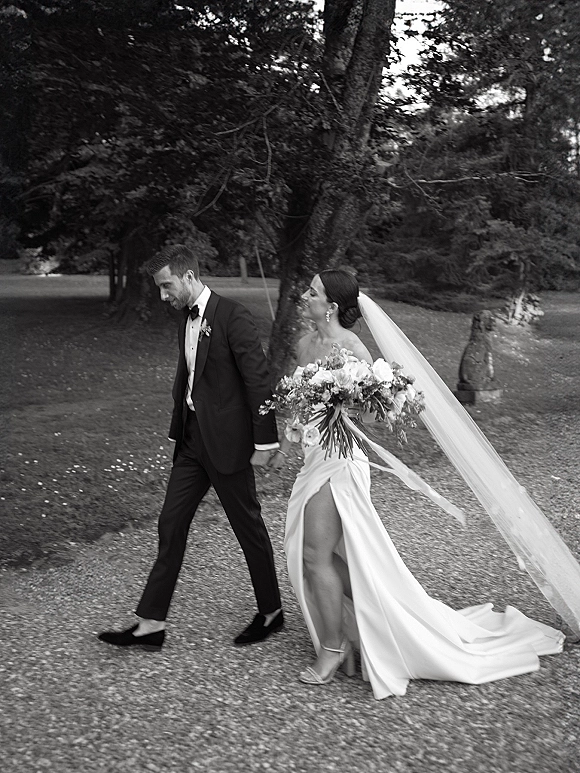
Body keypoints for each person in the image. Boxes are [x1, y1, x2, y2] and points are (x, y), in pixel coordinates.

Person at [272, 269, 566, 700]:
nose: (303, 296)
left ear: (331, 305)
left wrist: (342, 407)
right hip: (312, 457)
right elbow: (298, 405)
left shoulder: (352, 348)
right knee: (317, 555)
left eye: (312, 291)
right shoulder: (303, 344)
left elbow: (375, 415)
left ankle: (333, 649)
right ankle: (377, 618)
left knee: (315, 555)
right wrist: (291, 432)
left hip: (340, 461)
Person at [98, 244, 283, 651]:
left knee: (247, 528)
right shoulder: (186, 317)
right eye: (160, 289)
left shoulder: (234, 317)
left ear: (188, 276)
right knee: (170, 523)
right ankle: (151, 625)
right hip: (192, 442)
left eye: (166, 287)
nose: (163, 296)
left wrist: (265, 440)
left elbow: (259, 382)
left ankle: (271, 612)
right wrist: (179, 425)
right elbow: (192, 375)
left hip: (230, 445)